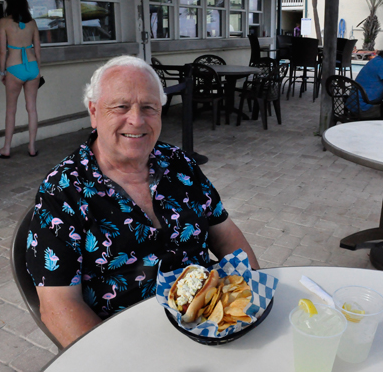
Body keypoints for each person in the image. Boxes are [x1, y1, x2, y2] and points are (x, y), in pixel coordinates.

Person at [26, 55, 260, 348]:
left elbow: (227, 238)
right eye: (121, 107)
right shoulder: (62, 191)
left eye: (149, 107)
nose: (136, 120)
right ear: (94, 112)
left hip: (209, 326)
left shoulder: (181, 164)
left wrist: (250, 300)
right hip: (126, 343)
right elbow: (58, 307)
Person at [0, 0, 41, 159]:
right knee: (32, 109)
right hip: (32, 67)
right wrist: (38, 70)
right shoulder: (32, 23)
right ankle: (32, 147)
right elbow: (37, 48)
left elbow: (2, 51)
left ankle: (6, 148)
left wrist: (2, 71)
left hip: (14, 67)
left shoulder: (3, 22)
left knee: (11, 110)